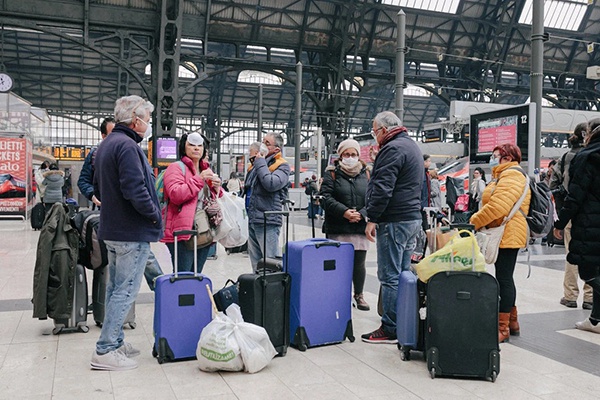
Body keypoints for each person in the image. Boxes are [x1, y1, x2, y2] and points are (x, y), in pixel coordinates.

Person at [90, 95, 162, 371]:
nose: (148, 123)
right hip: (131, 231)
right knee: (126, 291)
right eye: (147, 118)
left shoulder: (107, 144)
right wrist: (154, 215)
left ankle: (115, 341)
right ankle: (105, 350)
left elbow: (97, 186)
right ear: (136, 120)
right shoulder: (128, 146)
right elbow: (135, 190)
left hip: (113, 229)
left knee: (114, 290)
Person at [77, 116, 162, 290]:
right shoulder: (103, 151)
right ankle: (161, 287)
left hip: (127, 222)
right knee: (122, 284)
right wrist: (94, 195)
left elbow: (146, 181)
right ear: (103, 136)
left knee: (126, 277)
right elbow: (86, 181)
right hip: (117, 221)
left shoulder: (129, 149)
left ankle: (160, 288)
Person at [362, 111, 423, 343]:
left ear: (385, 130)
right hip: (411, 219)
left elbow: (383, 188)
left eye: (375, 130)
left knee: (390, 276)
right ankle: (404, 321)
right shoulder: (411, 146)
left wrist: (372, 217)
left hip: (394, 220)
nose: (374, 135)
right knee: (404, 273)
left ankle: (390, 328)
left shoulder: (393, 149)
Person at [470, 143, 531, 343]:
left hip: (509, 232)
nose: (492, 158)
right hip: (506, 231)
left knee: (504, 278)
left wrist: (473, 222)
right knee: (505, 276)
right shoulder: (502, 175)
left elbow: (498, 207)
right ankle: (512, 322)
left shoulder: (512, 175)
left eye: (495, 155)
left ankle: (502, 328)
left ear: (507, 157)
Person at [555, 118, 600, 334]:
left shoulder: (587, 157)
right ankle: (594, 320)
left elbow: (576, 195)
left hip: (589, 222)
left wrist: (560, 221)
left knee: (588, 271)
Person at [161, 132, 222, 273]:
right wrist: (199, 179)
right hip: (183, 232)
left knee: (197, 274)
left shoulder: (206, 170)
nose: (196, 148)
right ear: (184, 147)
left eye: (200, 145)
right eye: (191, 145)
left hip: (204, 230)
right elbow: (176, 194)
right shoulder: (176, 167)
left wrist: (217, 189)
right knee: (183, 276)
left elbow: (210, 199)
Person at [321, 139, 371, 311]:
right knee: (338, 265)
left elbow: (373, 197)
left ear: (358, 156)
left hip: (360, 226)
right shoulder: (332, 173)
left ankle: (359, 295)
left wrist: (362, 214)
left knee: (359, 264)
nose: (350, 157)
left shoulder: (367, 174)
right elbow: (325, 198)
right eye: (347, 154)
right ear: (340, 156)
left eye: (354, 154)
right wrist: (344, 212)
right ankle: (340, 295)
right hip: (338, 226)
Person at [550, 122, 592, 309]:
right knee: (592, 255)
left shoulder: (566, 157)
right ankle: (590, 298)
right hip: (593, 213)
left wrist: (562, 215)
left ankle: (570, 296)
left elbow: (553, 185)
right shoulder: (593, 155)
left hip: (572, 212)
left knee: (571, 254)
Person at [247, 132, 291, 271]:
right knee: (256, 265)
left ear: (276, 149)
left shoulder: (282, 166)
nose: (262, 145)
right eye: (262, 141)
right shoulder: (258, 165)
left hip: (269, 221)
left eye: (267, 143)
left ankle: (271, 292)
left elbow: (271, 184)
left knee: (270, 264)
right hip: (254, 219)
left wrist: (259, 163)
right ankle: (258, 291)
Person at [78, 117, 115, 208]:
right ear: (103, 135)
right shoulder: (94, 154)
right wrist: (92, 195)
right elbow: (83, 181)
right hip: (102, 209)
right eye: (112, 134)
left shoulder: (127, 152)